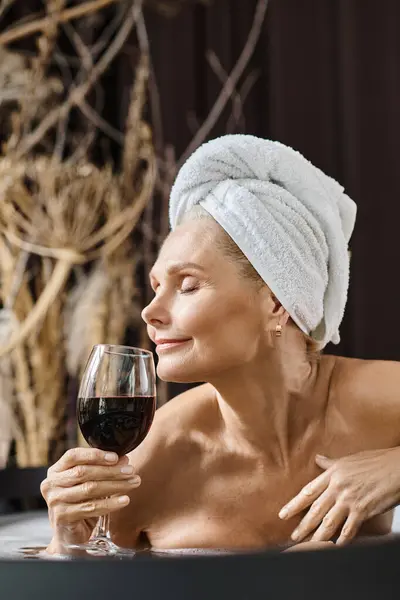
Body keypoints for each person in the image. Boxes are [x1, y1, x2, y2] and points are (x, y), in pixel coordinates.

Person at [41, 135, 400, 555]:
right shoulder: (155, 457)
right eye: (156, 286)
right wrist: (67, 546)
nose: (150, 312)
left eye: (188, 285)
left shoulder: (376, 401)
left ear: (276, 303)